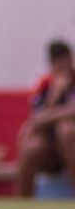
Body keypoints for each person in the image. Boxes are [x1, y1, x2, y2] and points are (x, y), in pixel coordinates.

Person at [15, 40, 75, 197]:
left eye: (65, 61)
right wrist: (54, 97)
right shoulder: (46, 86)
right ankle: (22, 203)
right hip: (52, 146)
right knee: (31, 148)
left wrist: (53, 116)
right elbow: (37, 121)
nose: (62, 67)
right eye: (57, 63)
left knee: (66, 130)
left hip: (70, 143)